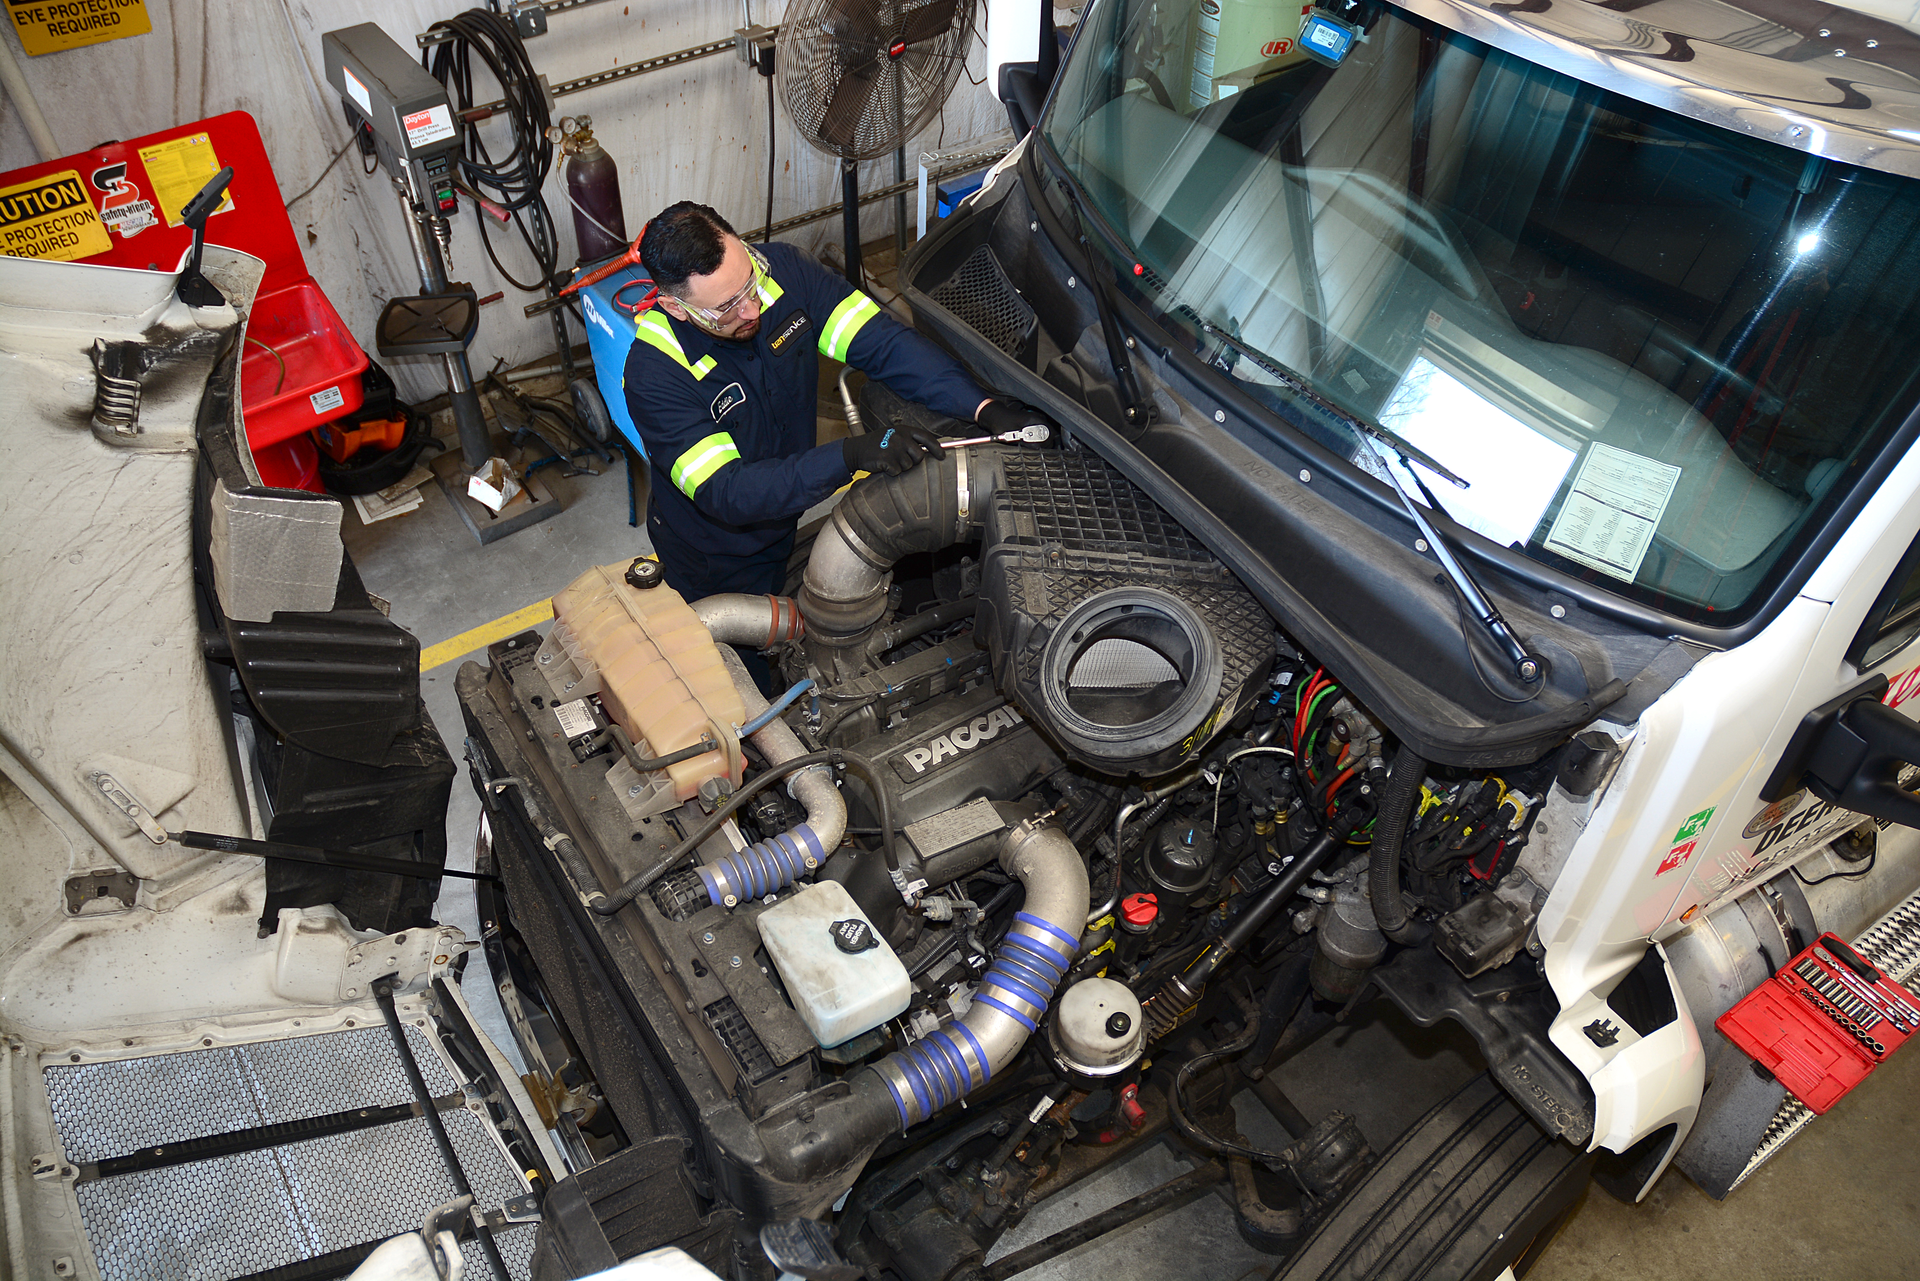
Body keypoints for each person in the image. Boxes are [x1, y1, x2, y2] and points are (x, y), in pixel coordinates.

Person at [622, 201, 1044, 617]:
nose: (752, 309)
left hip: (787, 515)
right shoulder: (655, 375)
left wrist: (981, 405)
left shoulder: (784, 272)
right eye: (726, 308)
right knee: (747, 661)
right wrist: (850, 454)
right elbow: (729, 491)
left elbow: (882, 343)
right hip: (716, 556)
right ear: (676, 307)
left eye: (749, 283)